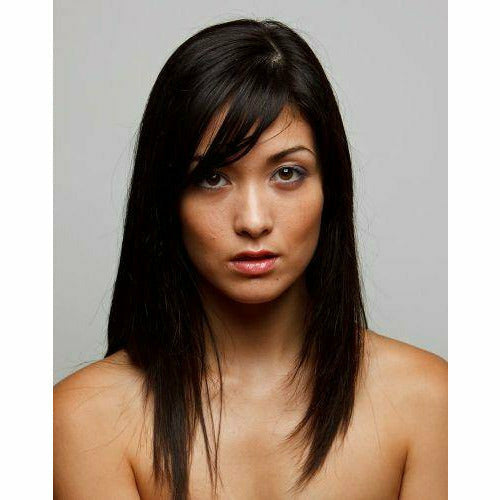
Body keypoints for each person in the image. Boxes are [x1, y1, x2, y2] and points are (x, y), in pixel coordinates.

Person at [53, 18, 447, 499]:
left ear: (331, 188)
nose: (254, 221)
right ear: (166, 200)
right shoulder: (83, 419)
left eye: (287, 173)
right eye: (212, 178)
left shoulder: (431, 402)